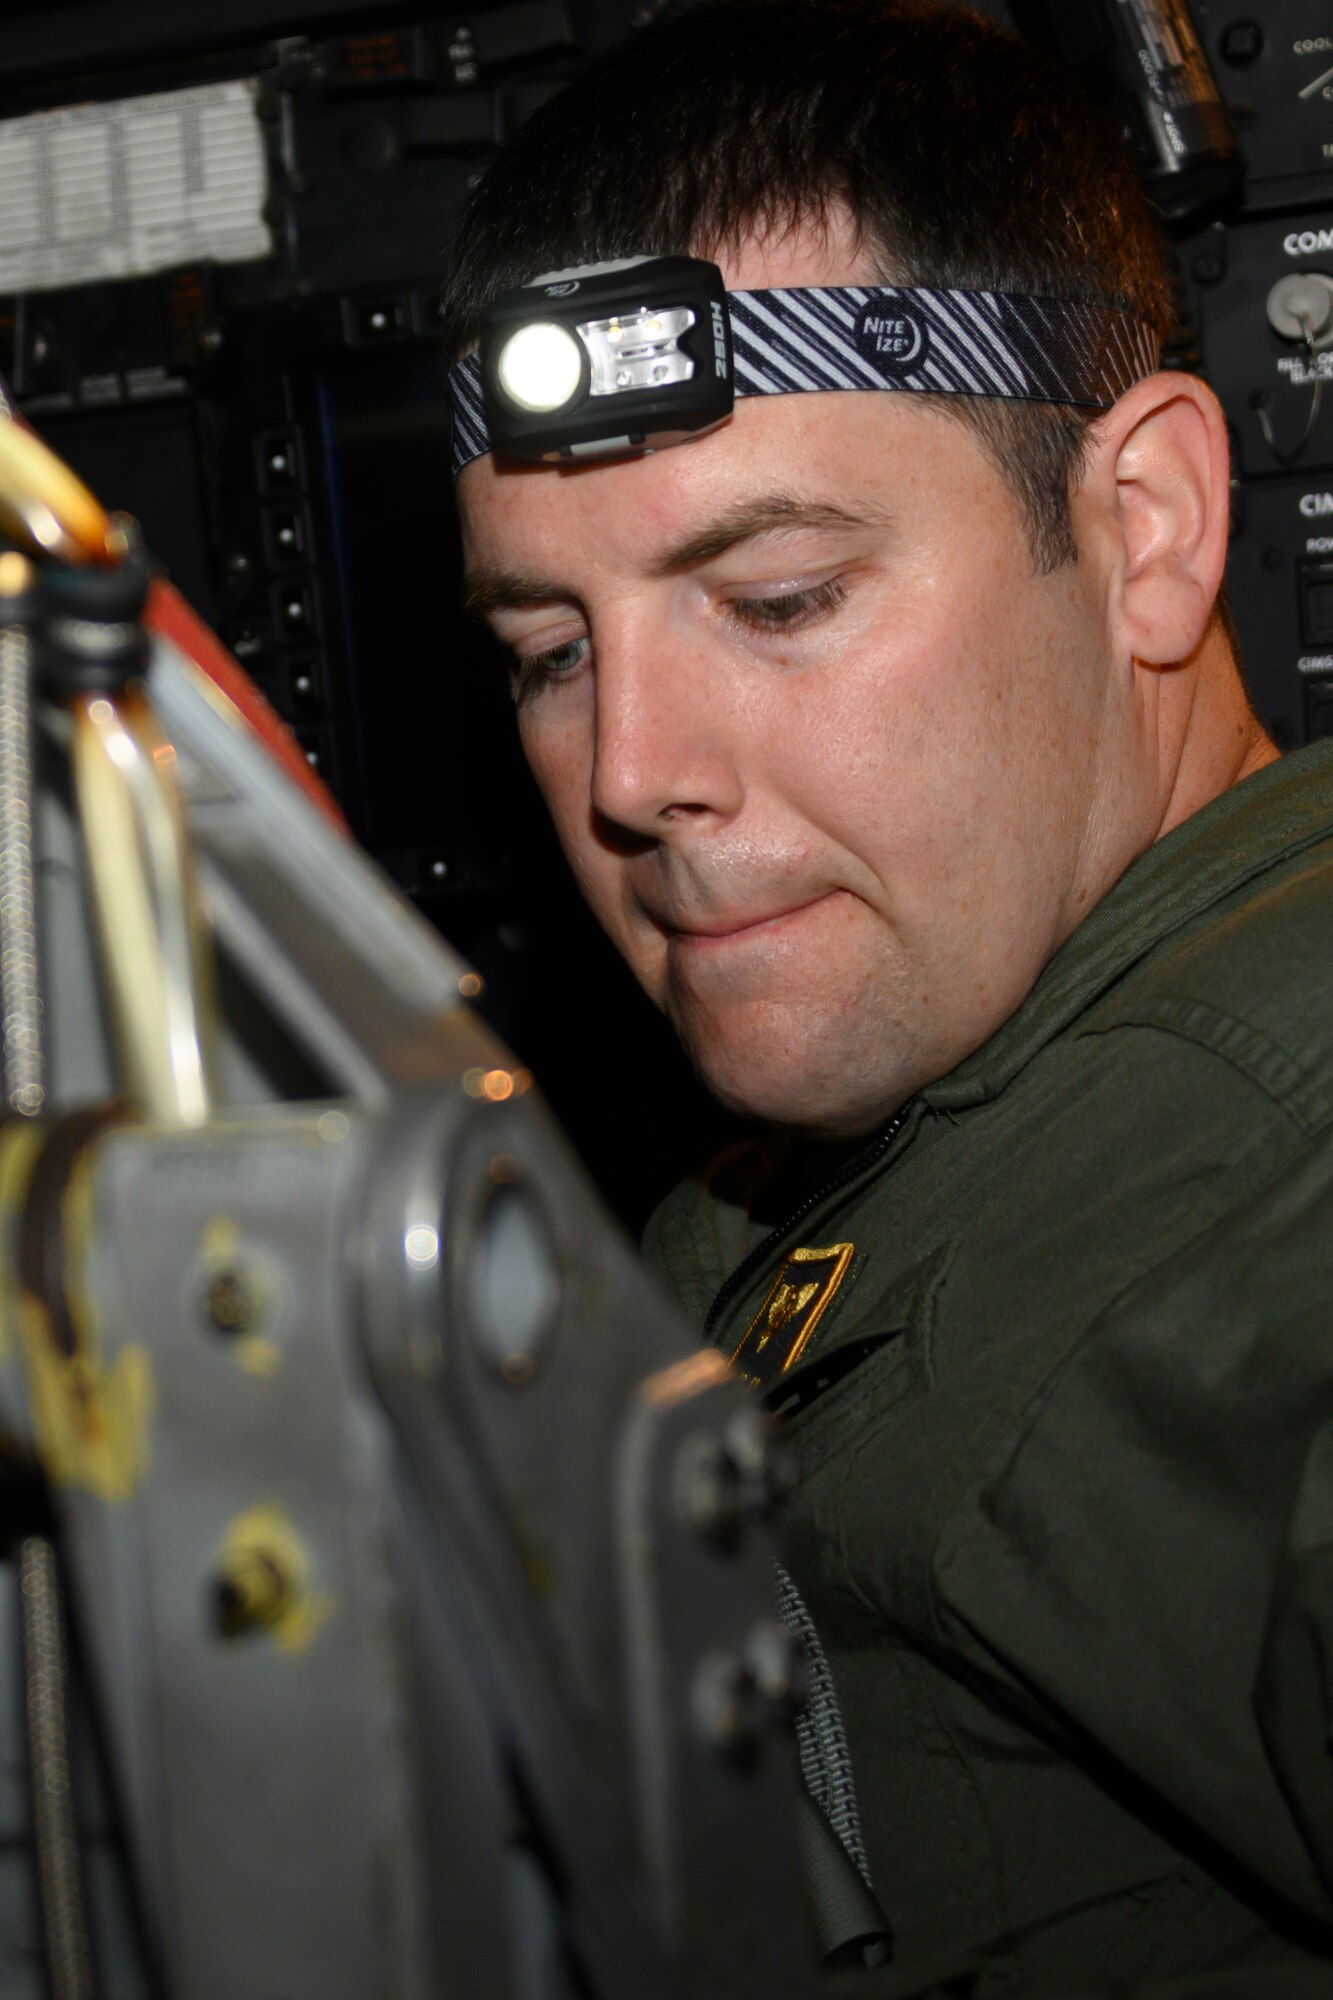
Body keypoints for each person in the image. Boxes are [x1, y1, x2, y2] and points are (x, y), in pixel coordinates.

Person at [440, 1, 1333, 1989]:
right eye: (544, 649)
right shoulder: (825, 1160)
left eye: (775, 602)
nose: (627, 768)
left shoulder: (1281, 1178)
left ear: (1147, 532)